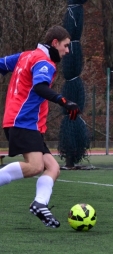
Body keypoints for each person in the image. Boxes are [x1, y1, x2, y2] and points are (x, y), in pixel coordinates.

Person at [0, 25, 80, 228]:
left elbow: (1, 64)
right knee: (36, 166)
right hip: (23, 121)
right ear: (55, 43)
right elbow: (40, 87)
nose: (67, 51)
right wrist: (64, 100)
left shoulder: (25, 56)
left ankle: (39, 203)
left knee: (52, 167)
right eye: (66, 46)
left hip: (24, 122)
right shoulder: (45, 62)